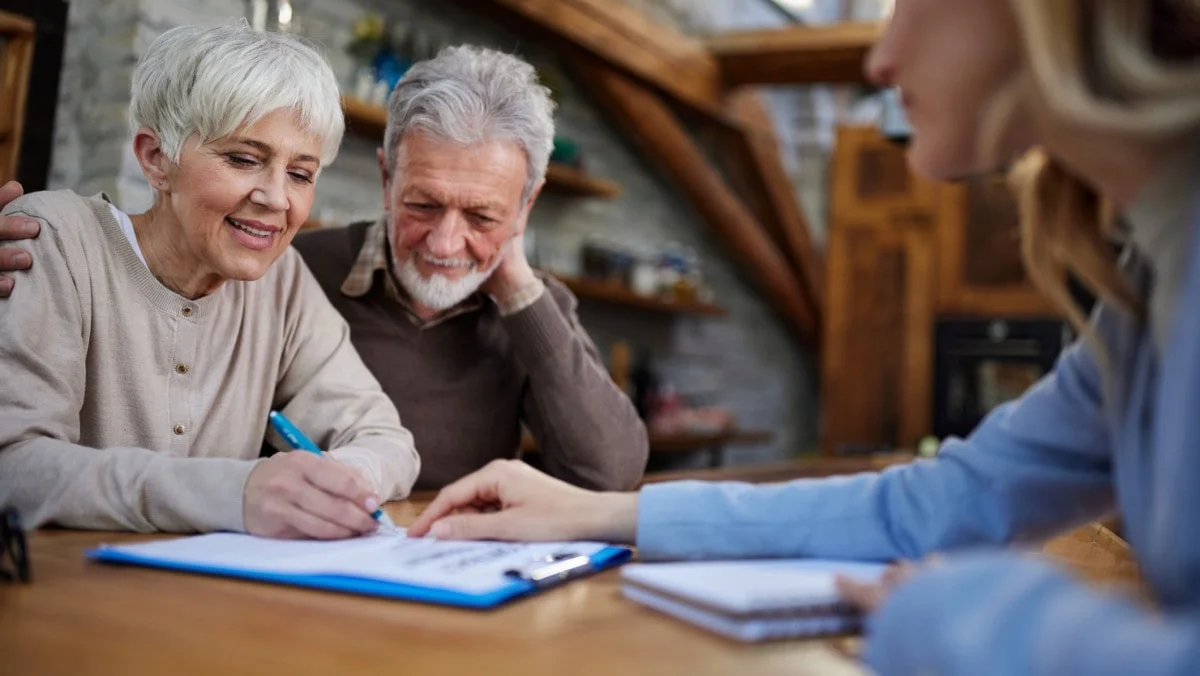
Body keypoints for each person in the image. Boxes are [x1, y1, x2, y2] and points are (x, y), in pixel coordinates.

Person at [405, 1, 1200, 674]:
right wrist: (604, 515)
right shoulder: (1149, 284)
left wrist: (963, 616)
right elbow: (937, 504)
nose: (879, 60)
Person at [0, 44, 649, 493]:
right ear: (386, 179)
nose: (447, 240)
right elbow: (17, 460)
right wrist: (247, 490)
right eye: (423, 205)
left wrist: (516, 284)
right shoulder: (288, 262)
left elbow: (610, 472)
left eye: (482, 215)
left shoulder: (530, 307)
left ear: (524, 208)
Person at [0, 23, 420, 540]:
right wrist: (231, 492)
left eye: (300, 173)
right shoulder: (53, 237)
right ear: (156, 159)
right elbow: (14, 465)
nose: (276, 198)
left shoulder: (282, 281)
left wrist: (330, 483)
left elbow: (387, 440)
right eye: (244, 159)